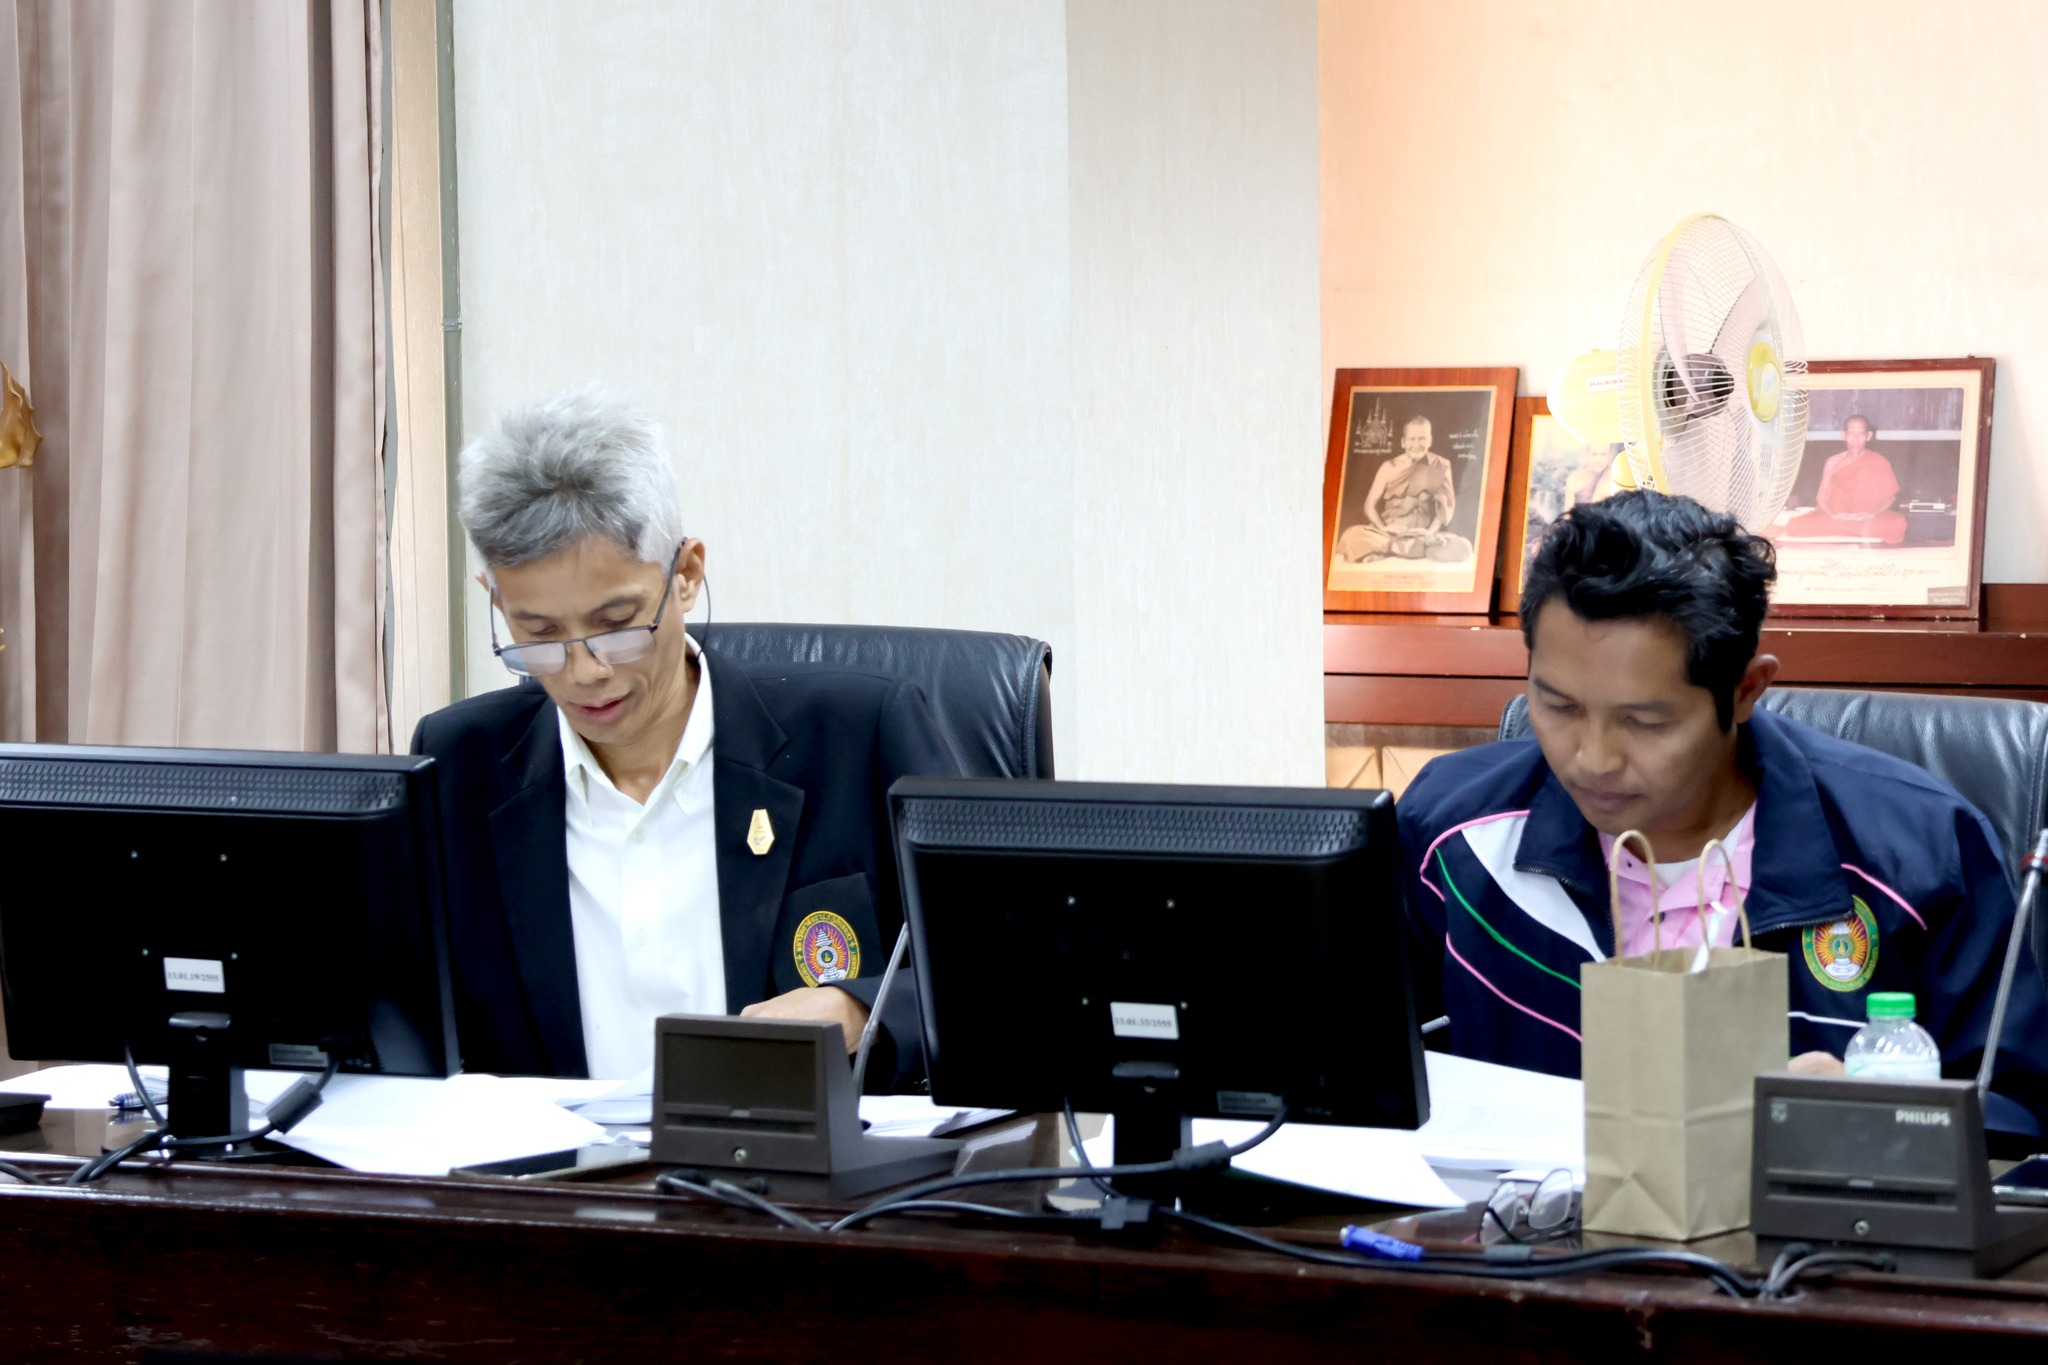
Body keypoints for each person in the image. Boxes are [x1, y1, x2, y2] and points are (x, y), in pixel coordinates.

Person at [1396, 490, 2048, 1136]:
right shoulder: (1451, 835)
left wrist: (1883, 1119)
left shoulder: (1919, 854)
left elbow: (2023, 1112)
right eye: (1559, 706)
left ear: (1745, 690)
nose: (1593, 759)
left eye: (1644, 721)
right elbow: (1369, 1071)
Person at [413, 387, 957, 1084]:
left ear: (687, 574)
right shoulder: (459, 767)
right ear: (498, 600)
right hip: (554, 1156)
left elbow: (1010, 976)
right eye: (538, 634)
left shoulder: (856, 737)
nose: (584, 671)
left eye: (617, 624)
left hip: (799, 1154)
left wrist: (857, 1007)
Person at [1335, 417, 1472, 564]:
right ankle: (1413, 549)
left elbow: (1445, 508)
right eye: (1411, 439)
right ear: (1403, 442)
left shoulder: (1441, 465)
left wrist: (1429, 532)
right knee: (1350, 536)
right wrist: (1384, 528)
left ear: (1430, 441)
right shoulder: (1389, 466)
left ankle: (1390, 551)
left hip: (1422, 533)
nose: (1416, 445)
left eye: (1422, 439)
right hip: (1389, 532)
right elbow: (1369, 506)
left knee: (1464, 547)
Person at [1778, 415, 1908, 545]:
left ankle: (1845, 530)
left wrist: (1872, 514)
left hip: (1866, 518)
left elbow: (1890, 498)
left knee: (1898, 523)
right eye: (1851, 433)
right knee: (1795, 525)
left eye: (1861, 434)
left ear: (1868, 436)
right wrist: (1834, 515)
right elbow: (1821, 498)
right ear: (1843, 435)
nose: (1855, 439)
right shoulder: (1833, 462)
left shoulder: (1879, 462)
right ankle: (1853, 530)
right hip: (1836, 516)